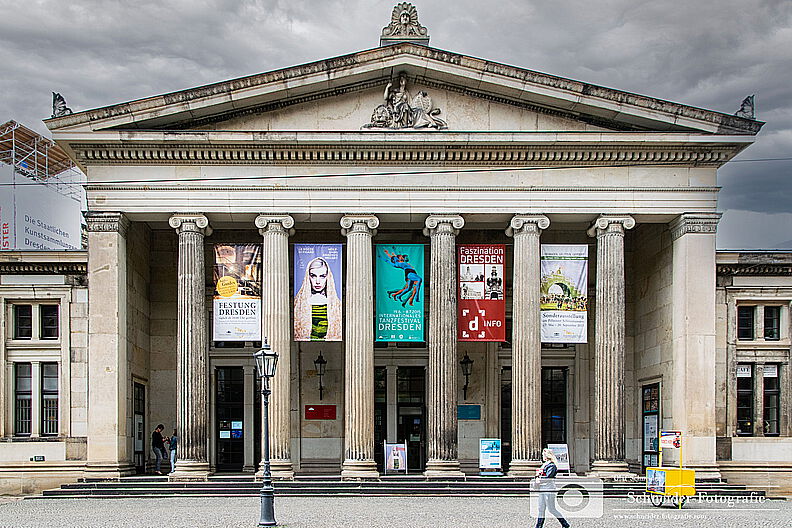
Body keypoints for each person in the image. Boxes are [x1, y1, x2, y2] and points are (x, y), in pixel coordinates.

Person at [294, 257, 342, 341]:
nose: (317, 281)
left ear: (328, 277)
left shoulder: (337, 305)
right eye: (313, 276)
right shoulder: (298, 304)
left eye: (322, 276)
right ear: (308, 277)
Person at [534, 448, 570, 528]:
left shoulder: (552, 466)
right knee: (541, 508)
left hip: (549, 489)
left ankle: (565, 524)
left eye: (543, 455)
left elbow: (548, 477)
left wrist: (539, 480)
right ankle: (538, 526)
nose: (542, 456)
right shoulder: (545, 465)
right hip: (542, 489)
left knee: (551, 509)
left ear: (547, 456)